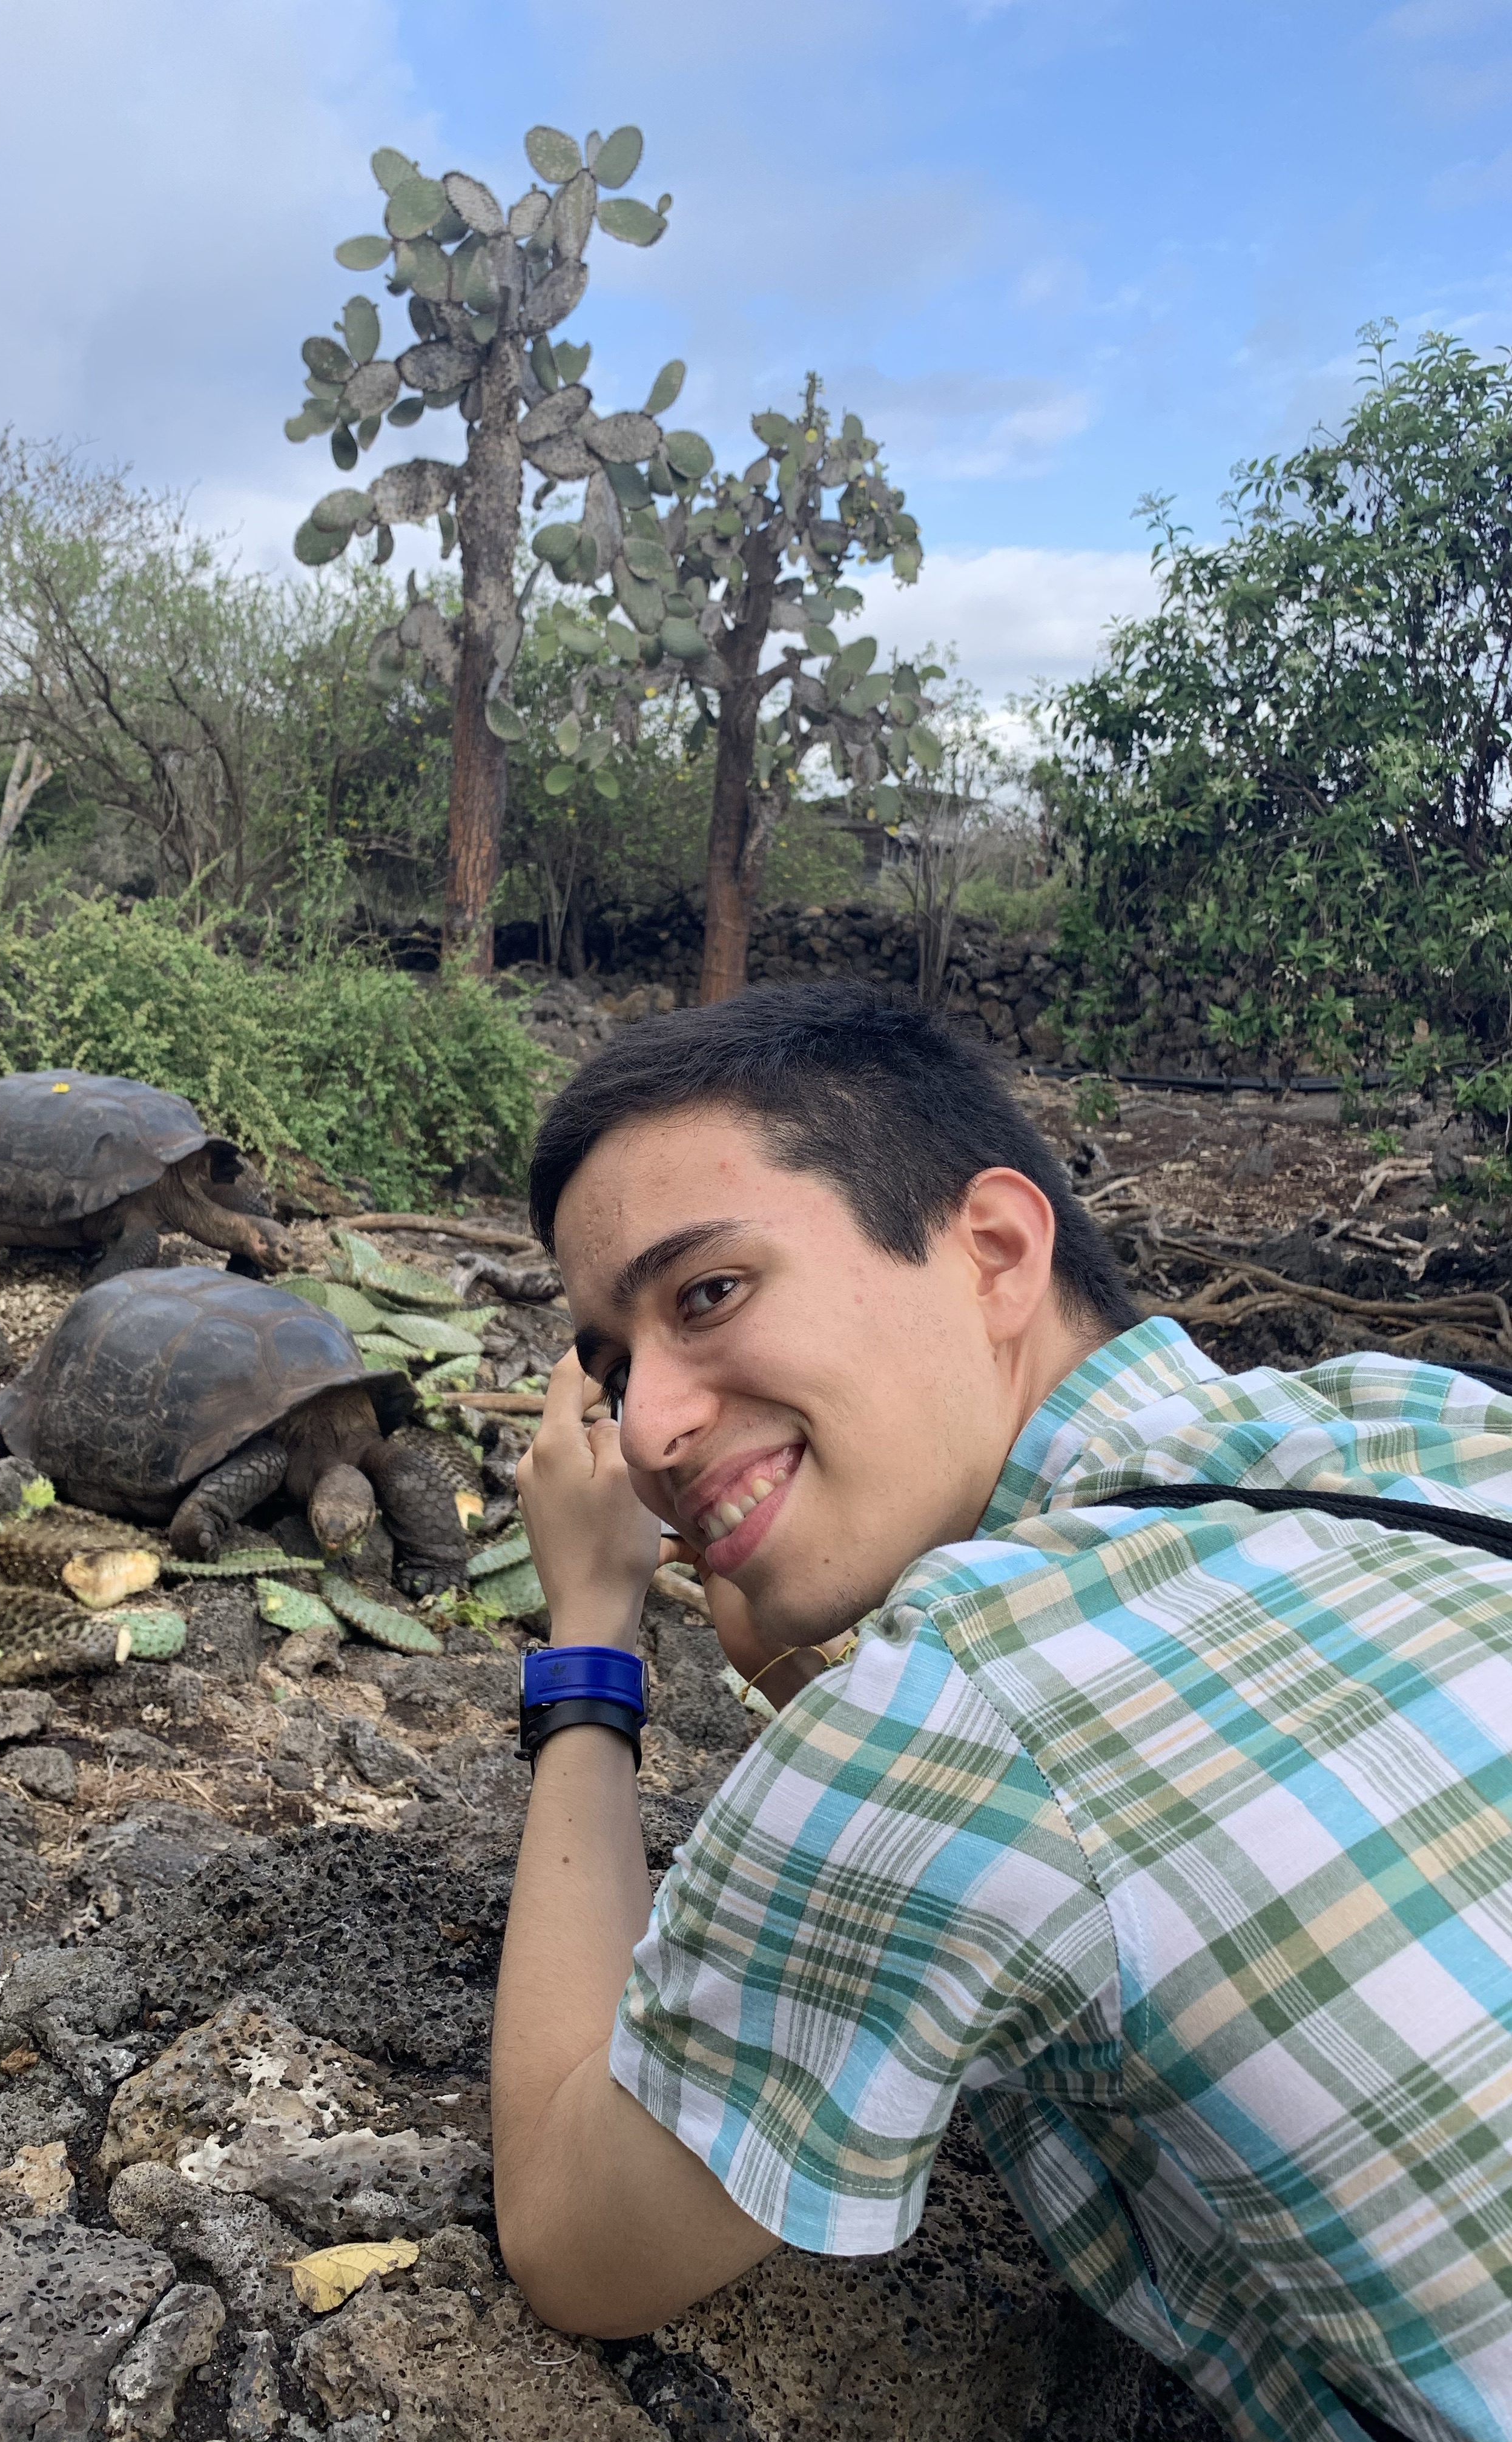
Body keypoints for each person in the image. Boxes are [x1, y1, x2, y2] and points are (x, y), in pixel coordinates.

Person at [490, 980, 1512, 2442]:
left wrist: (589, 1636)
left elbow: (571, 2228)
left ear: (994, 1250)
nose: (647, 1431)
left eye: (707, 1294)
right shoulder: (1419, 1423)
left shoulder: (962, 1702)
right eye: (614, 1368)